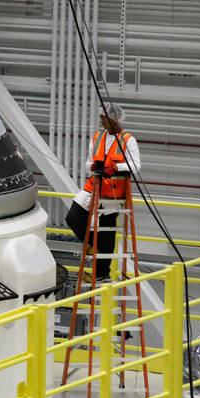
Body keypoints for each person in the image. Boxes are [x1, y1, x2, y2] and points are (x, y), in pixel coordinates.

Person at [64, 103, 141, 283]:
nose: (101, 120)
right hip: (94, 185)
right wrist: (93, 167)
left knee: (107, 229)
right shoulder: (98, 137)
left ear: (114, 119)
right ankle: (93, 244)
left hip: (113, 191)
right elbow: (88, 161)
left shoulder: (128, 140)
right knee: (73, 217)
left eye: (104, 117)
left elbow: (135, 165)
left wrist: (115, 167)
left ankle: (101, 273)